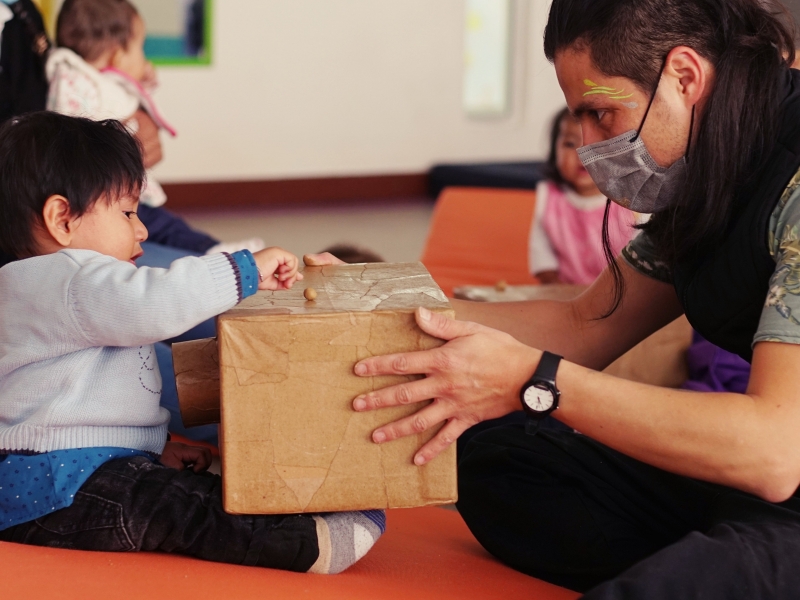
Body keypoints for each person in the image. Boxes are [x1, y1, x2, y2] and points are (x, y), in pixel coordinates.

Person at [345, 0, 800, 596]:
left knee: (688, 579)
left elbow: (772, 451)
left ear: (684, 77)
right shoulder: (715, 165)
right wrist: (374, 302)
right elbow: (586, 321)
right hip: (761, 486)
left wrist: (534, 382)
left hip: (774, 466)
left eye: (601, 113)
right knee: (495, 456)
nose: (587, 146)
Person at [0, 112, 384, 574]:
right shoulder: (67, 278)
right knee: (173, 509)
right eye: (126, 213)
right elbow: (154, 304)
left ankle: (275, 512)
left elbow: (81, 402)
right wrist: (241, 269)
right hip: (56, 485)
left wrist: (151, 448)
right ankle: (302, 541)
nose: (141, 230)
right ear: (62, 219)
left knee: (173, 490)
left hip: (72, 474)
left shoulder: (63, 288)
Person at [47, 0, 264, 266]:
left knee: (164, 225)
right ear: (116, 56)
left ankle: (213, 249)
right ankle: (215, 252)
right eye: (141, 49)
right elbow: (72, 131)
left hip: (119, 189)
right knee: (165, 227)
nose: (145, 58)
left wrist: (140, 78)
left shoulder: (99, 80)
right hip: (104, 192)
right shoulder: (72, 81)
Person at [530, 107, 639, 285]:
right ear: (553, 150)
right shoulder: (549, 197)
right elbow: (541, 256)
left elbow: (644, 259)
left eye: (595, 145)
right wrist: (556, 289)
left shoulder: (631, 199)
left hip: (623, 297)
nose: (582, 154)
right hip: (566, 296)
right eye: (570, 144)